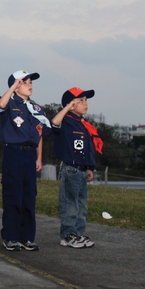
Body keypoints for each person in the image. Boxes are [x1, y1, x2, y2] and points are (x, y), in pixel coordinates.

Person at [0, 70, 50, 252]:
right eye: (25, 82)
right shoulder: (10, 103)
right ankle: (11, 236)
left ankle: (27, 237)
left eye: (30, 82)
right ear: (16, 85)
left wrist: (39, 157)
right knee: (13, 195)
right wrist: (12, 88)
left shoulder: (36, 108)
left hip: (29, 154)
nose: (29, 85)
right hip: (14, 153)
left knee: (28, 196)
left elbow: (39, 134)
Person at [51, 87, 103, 248]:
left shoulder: (83, 125)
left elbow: (88, 150)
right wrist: (66, 108)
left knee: (81, 205)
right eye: (80, 101)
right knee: (70, 204)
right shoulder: (66, 121)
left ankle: (78, 233)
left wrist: (90, 168)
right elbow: (54, 124)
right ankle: (68, 234)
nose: (85, 104)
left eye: (85, 100)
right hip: (71, 169)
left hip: (82, 169)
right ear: (71, 104)